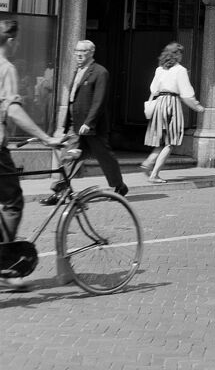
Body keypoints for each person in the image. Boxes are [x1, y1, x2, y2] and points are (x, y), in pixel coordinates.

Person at [1, 20, 65, 291]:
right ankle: (5, 265)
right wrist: (46, 138)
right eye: (17, 41)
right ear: (11, 41)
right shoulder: (6, 67)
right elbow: (13, 111)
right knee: (13, 201)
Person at [42, 39, 127, 204]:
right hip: (75, 125)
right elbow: (73, 98)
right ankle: (60, 192)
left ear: (91, 53)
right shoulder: (78, 70)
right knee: (68, 157)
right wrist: (67, 122)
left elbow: (99, 101)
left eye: (83, 51)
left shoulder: (100, 72)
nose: (79, 54)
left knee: (105, 157)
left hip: (92, 127)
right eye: (77, 51)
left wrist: (89, 123)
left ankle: (119, 186)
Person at [141, 42, 206, 183]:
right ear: (176, 55)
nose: (182, 56)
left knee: (161, 140)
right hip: (172, 104)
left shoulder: (159, 69)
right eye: (180, 53)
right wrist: (197, 106)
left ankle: (148, 162)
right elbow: (186, 93)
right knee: (171, 142)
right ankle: (154, 174)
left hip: (159, 103)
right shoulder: (180, 70)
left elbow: (153, 89)